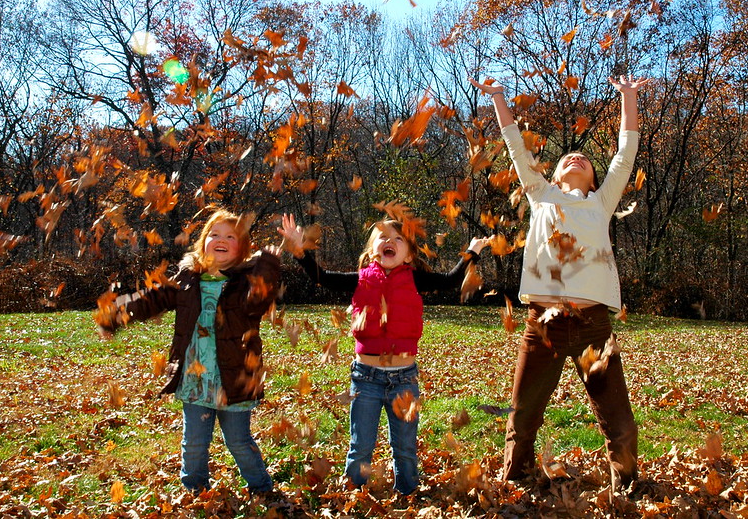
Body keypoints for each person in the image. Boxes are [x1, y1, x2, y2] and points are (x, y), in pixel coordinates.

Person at [468, 75, 649, 491]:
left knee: (618, 419)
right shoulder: (540, 194)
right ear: (554, 172)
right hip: (542, 327)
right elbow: (515, 146)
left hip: (593, 327)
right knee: (523, 413)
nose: (576, 159)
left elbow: (626, 151)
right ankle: (517, 481)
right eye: (568, 157)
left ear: (594, 177)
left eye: (584, 159)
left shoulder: (601, 203)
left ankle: (627, 486)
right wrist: (498, 99)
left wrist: (629, 97)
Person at [279, 214, 490, 495]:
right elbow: (323, 277)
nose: (389, 241)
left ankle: (408, 493)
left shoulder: (415, 279)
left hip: (404, 380)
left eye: (398, 239)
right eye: (383, 237)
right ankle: (355, 495)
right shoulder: (360, 280)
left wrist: (472, 251)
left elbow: (451, 280)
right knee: (361, 445)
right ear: (371, 250)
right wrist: (299, 249)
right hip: (365, 378)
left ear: (408, 255)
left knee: (404, 447)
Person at [94, 208, 281, 495]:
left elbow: (260, 299)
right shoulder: (188, 278)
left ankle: (261, 488)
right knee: (194, 441)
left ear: (241, 248)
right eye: (214, 234)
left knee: (239, 441)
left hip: (233, 380)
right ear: (204, 241)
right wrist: (117, 314)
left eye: (230, 236)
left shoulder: (245, 283)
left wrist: (268, 262)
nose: (221, 239)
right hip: (196, 379)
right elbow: (152, 299)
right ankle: (194, 490)